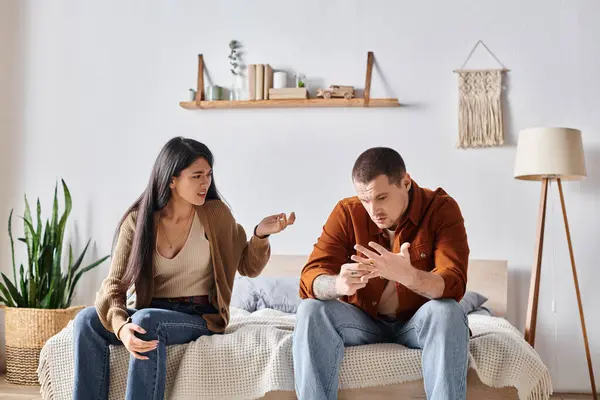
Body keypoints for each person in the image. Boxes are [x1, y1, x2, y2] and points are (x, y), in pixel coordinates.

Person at [72, 137, 295, 400]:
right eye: (197, 176)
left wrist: (260, 235)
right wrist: (120, 327)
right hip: (152, 309)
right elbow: (114, 285)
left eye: (209, 175)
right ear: (171, 180)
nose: (206, 183)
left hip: (200, 316)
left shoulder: (216, 215)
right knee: (86, 320)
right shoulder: (139, 221)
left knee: (146, 322)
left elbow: (247, 266)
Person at [293, 147, 470, 400]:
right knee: (310, 310)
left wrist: (409, 276)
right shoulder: (347, 212)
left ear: (406, 182)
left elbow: (454, 282)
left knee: (448, 311)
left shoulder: (441, 209)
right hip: (362, 322)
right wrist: (337, 285)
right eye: (365, 200)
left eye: (382, 197)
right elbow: (310, 277)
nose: (373, 210)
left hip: (418, 322)